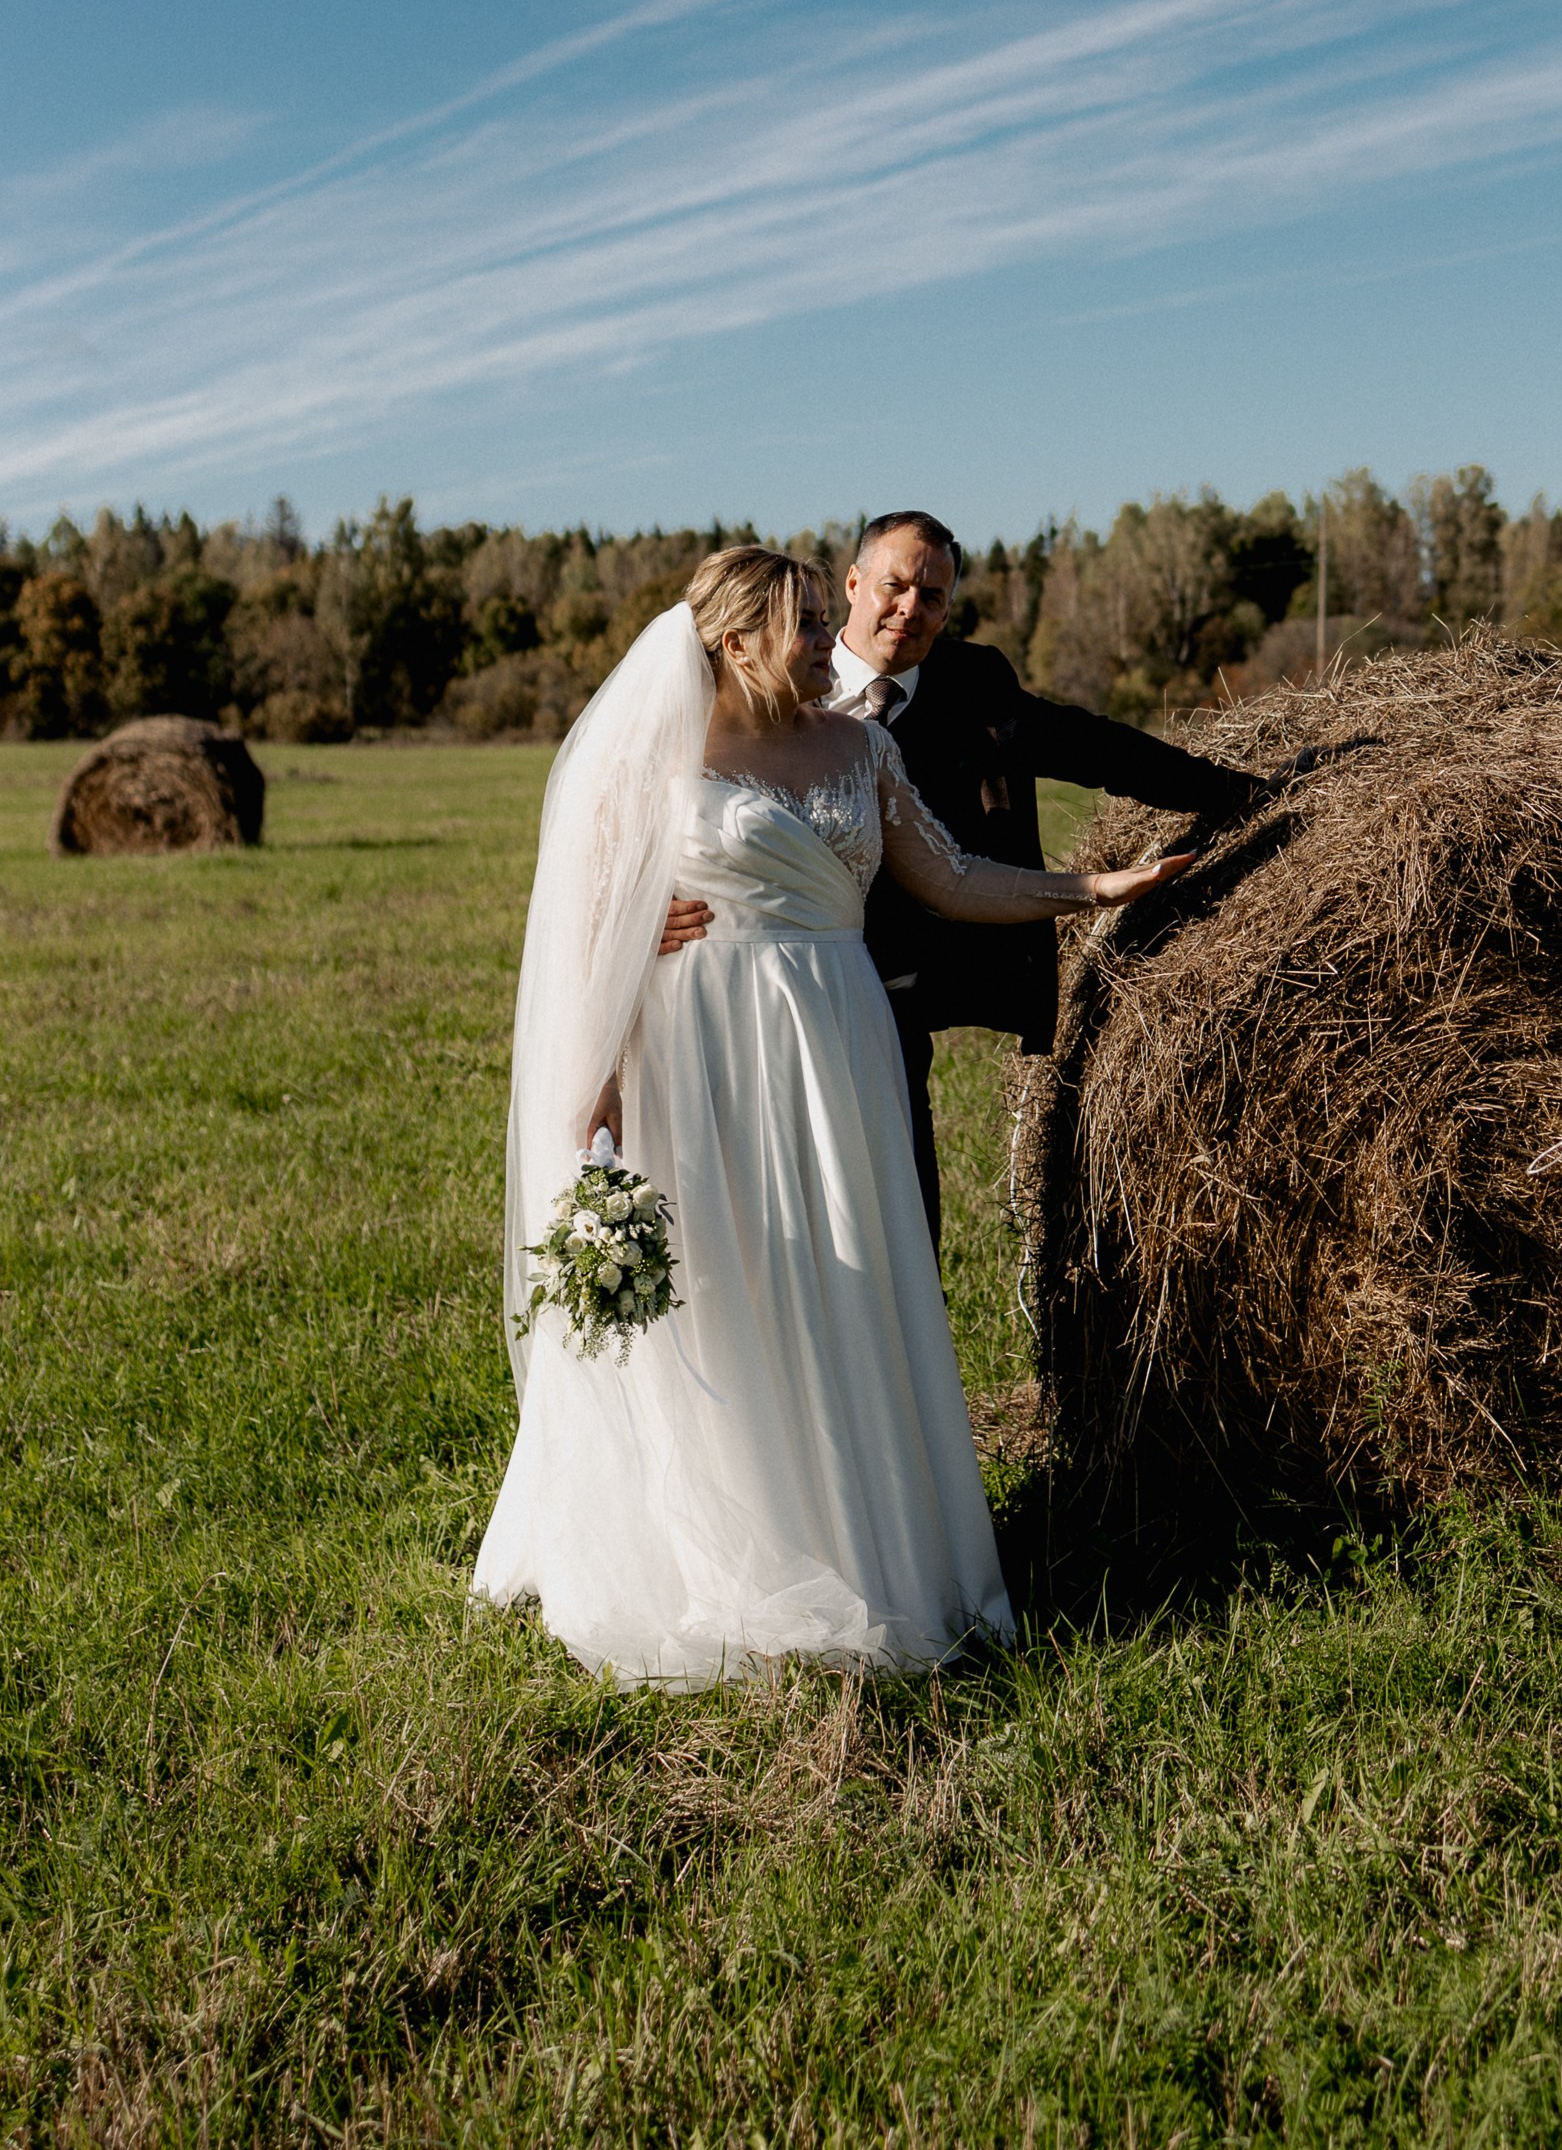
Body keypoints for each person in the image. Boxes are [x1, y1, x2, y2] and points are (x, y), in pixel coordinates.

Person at [471, 545, 1191, 1688]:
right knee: (732, 1278)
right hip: (702, 1049)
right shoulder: (652, 754)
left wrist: (1088, 892)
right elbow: (584, 933)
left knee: (848, 1270)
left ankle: (869, 1542)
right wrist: (595, 1093)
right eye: (805, 625)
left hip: (838, 1040)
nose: (827, 642)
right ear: (734, 638)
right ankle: (732, 1537)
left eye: (821, 618)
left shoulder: (864, 745)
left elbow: (950, 879)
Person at [659, 511, 1264, 1247]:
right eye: (895, 585)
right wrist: (639, 916)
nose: (911, 608)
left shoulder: (972, 687)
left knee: (895, 1216)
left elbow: (1093, 748)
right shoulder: (719, 708)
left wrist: (1242, 795)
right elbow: (639, 848)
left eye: (934, 596)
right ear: (855, 583)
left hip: (886, 996)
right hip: (733, 998)